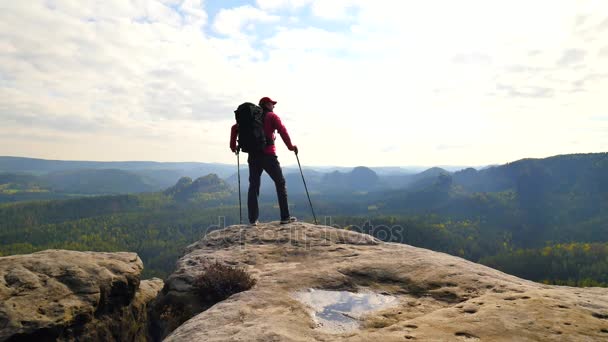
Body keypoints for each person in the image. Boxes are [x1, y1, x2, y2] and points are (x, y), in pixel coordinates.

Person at [230, 96, 298, 225]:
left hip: (253, 156)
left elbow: (234, 128)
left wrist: (233, 147)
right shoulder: (272, 117)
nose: (274, 106)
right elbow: (282, 131)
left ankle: (253, 220)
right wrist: (290, 147)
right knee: (280, 183)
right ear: (267, 104)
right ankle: (285, 217)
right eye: (272, 104)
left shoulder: (251, 118)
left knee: (254, 186)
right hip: (268, 156)